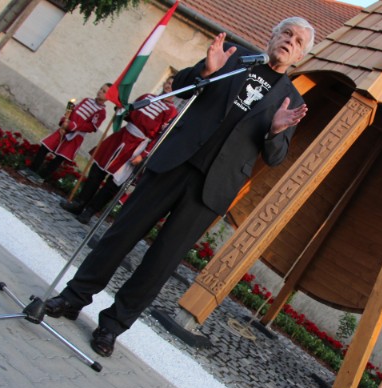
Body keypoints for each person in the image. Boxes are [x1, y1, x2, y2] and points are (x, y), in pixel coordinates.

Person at [43, 17, 315, 357]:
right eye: (286, 33)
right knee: (120, 235)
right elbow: (182, 85)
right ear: (273, 35)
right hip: (174, 164)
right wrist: (206, 70)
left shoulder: (291, 100)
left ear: (300, 56)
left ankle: (112, 326)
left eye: (298, 42)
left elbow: (275, 157)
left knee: (160, 263)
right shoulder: (235, 57)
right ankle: (73, 297)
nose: (290, 41)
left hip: (211, 190)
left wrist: (275, 132)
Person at [60, 77, 178, 224]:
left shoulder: (172, 112)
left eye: (172, 84)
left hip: (137, 145)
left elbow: (160, 137)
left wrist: (143, 155)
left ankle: (90, 212)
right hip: (121, 137)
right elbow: (129, 113)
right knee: (97, 171)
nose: (168, 86)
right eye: (168, 82)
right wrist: (121, 110)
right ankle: (79, 203)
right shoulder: (146, 97)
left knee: (114, 183)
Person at [24, 84, 110, 183]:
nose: (100, 92)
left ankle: (41, 177)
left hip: (75, 136)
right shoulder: (86, 100)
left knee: (59, 158)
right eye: (101, 89)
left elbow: (91, 127)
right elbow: (72, 110)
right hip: (64, 129)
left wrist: (73, 126)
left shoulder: (101, 112)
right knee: (45, 147)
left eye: (104, 91)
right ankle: (31, 170)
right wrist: (64, 121)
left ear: (108, 97)